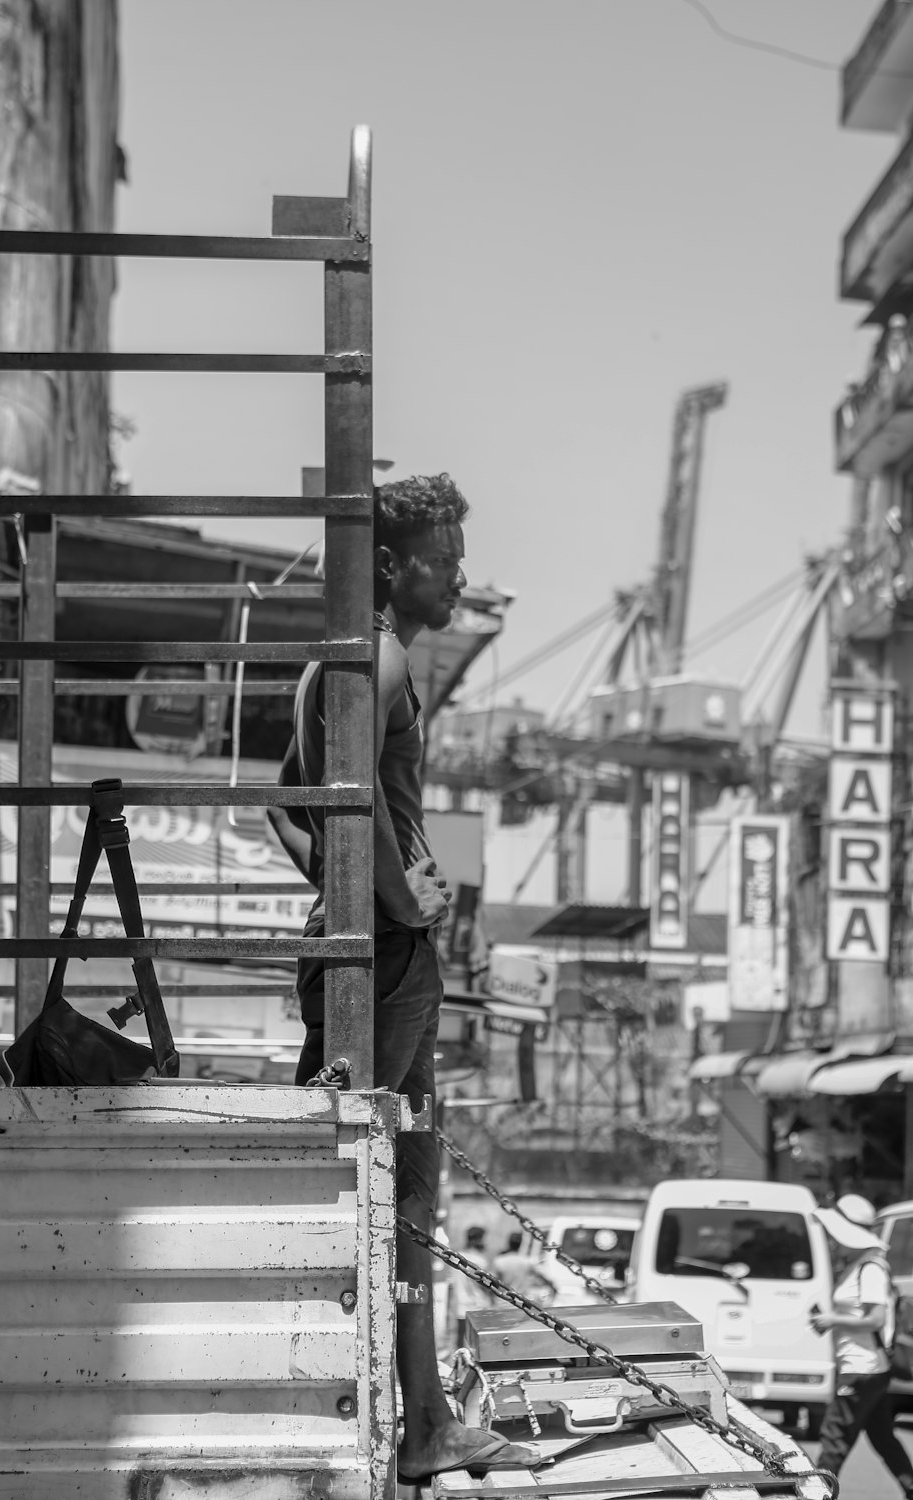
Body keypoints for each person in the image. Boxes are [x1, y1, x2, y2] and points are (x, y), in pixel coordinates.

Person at [268, 474, 541, 1484]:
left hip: (376, 955)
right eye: (444, 561)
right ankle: (378, 1417)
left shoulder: (341, 670)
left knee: (405, 1189)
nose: (458, 577)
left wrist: (365, 888)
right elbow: (343, 808)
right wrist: (397, 899)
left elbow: (284, 807)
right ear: (390, 566)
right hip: (385, 962)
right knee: (375, 1192)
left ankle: (424, 1420)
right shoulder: (375, 664)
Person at [811, 1193, 913, 1496]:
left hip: (862, 1367)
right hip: (868, 1368)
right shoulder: (859, 1265)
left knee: (834, 1439)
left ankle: (816, 1493)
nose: (831, 1240)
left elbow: (875, 1319)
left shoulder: (870, 1269)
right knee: (883, 1437)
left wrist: (833, 1320)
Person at [453, 1225, 495, 1346]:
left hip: (460, 1306)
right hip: (478, 1306)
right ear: (478, 1239)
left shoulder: (457, 1257)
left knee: (461, 1343)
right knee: (478, 1343)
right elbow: (487, 1286)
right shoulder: (480, 1261)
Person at [492, 1229, 557, 1304]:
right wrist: (553, 1287)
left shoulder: (499, 1261)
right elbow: (544, 1278)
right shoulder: (526, 1262)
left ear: (509, 1243)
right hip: (520, 1301)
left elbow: (493, 1280)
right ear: (520, 1244)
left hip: (502, 1300)